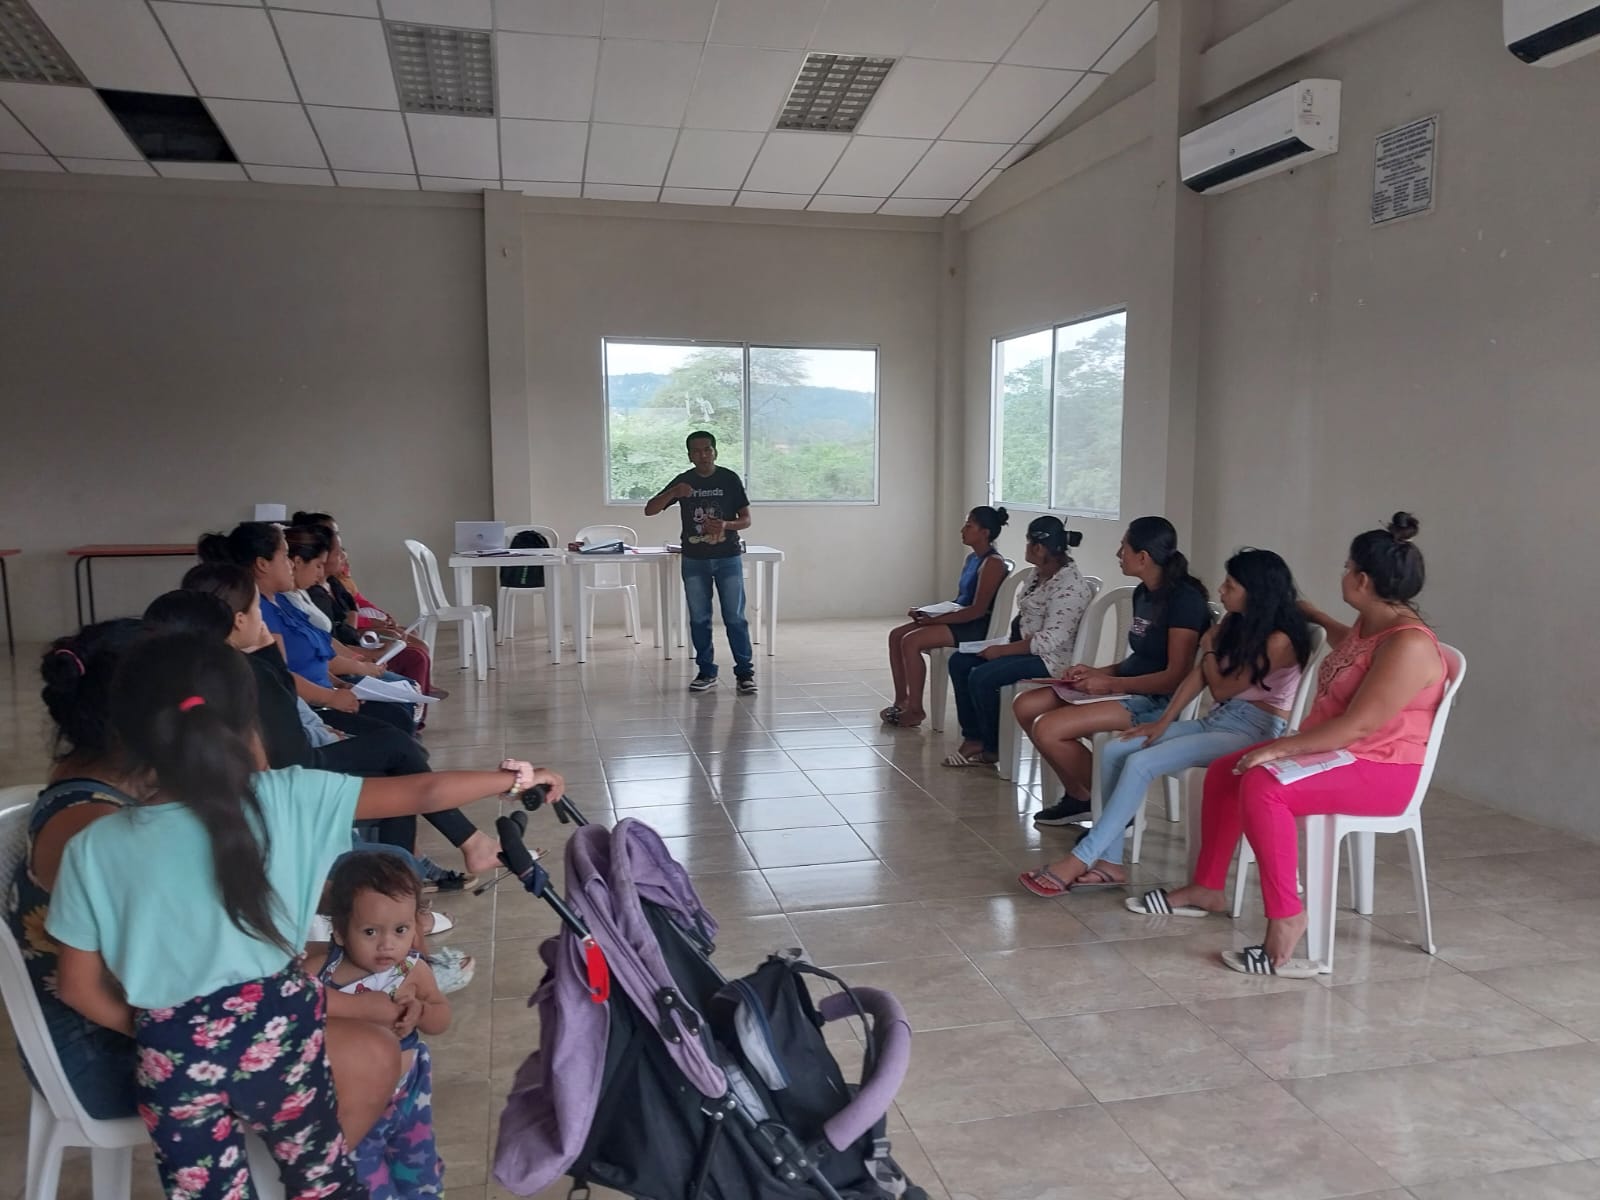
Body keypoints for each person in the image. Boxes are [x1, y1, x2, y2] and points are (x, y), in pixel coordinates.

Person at [45, 630, 563, 1196]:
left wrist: (170, 1035)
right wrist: (516, 779)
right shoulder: (290, 795)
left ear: (127, 733)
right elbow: (422, 790)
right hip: (282, 1032)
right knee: (323, 1180)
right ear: (250, 722)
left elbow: (77, 986)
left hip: (175, 1057)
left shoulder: (94, 846)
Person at [12, 623, 404, 1139]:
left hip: (167, 1018)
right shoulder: (93, 829)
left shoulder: (119, 801)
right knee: (371, 1053)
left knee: (363, 964)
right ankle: (316, 1172)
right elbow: (177, 966)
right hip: (108, 1051)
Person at [1127, 514, 1447, 979]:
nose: (1342, 574)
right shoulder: (1372, 626)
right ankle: (1206, 888)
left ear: (1362, 580)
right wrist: (1317, 616)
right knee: (1227, 771)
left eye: (1346, 567)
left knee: (1263, 784)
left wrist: (1282, 748)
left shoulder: (1409, 645)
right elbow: (1353, 651)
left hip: (1380, 769)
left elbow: (1358, 727)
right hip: (1339, 754)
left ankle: (1286, 918)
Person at [156, 570, 502, 889]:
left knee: (396, 747)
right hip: (292, 774)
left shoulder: (216, 668)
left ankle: (415, 873)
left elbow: (287, 703)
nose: (263, 619)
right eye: (256, 609)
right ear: (239, 620)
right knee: (397, 752)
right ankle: (402, 883)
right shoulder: (241, 673)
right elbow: (288, 741)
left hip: (288, 760)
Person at [1020, 548, 1311, 895]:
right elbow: (1198, 678)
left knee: (1141, 762)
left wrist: (1210, 647)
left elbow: (1220, 687)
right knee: (1116, 749)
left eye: (1231, 585)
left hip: (1254, 732)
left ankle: (1081, 858)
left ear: (1256, 592)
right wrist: (1163, 723)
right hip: (1219, 720)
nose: (1221, 590)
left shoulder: (1279, 640)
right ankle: (1110, 864)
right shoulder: (1238, 624)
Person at [8, 620, 144, 1119]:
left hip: (124, 1021)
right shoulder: (94, 824)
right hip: (99, 1054)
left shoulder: (96, 779)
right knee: (343, 1050)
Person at [1018, 515, 1211, 826]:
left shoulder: (1184, 601)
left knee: (1049, 728)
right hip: (1128, 686)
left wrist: (1109, 684)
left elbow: (1174, 678)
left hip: (1155, 701)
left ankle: (1117, 811)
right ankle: (1080, 797)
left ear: (1143, 557)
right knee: (1026, 705)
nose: (1118, 553)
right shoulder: (1142, 593)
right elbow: (1140, 660)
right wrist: (1095, 672)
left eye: (1124, 547)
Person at [304, 854, 448, 1200]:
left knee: (420, 1171)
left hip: (409, 1094)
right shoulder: (323, 970)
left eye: (401, 930)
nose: (387, 944)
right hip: (355, 1102)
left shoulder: (412, 970)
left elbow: (442, 1017)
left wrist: (421, 1011)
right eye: (370, 932)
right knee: (366, 1178)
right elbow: (293, 1000)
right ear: (340, 931)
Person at [197, 522, 415, 735]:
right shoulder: (260, 613)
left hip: (326, 693)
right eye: (285, 556)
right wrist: (331, 697)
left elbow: (315, 655)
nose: (291, 564)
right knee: (395, 725)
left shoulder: (281, 601)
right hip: (311, 706)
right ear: (263, 564)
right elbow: (281, 676)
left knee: (398, 713)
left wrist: (339, 684)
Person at [942, 516, 1094, 767]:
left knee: (982, 676)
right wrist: (1003, 646)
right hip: (1023, 646)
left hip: (1048, 660)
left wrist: (1002, 651)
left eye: (1028, 542)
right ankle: (974, 737)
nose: (1026, 547)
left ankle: (993, 747)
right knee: (960, 661)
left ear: (1039, 548)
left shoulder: (1070, 586)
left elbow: (1048, 641)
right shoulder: (1039, 573)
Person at [643, 430, 756, 694]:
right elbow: (650, 510)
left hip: (728, 557)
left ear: (715, 452)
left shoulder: (729, 478)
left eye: (707, 449)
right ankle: (706, 671)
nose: (703, 455)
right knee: (699, 618)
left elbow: (747, 520)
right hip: (695, 560)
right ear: (689, 455)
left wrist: (725, 524)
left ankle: (745, 673)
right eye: (696, 451)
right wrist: (674, 492)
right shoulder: (684, 480)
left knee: (735, 618)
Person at [881, 506, 1012, 729]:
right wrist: (927, 612)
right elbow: (960, 600)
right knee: (896, 635)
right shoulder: (972, 559)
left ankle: (915, 709)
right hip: (961, 616)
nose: (962, 530)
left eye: (969, 526)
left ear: (985, 533)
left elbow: (977, 610)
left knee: (911, 641)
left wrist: (934, 620)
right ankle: (901, 700)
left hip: (975, 626)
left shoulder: (993, 563)